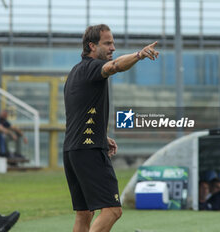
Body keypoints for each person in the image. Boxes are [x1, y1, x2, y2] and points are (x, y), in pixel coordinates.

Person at [63, 24, 159, 232]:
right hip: (89, 151)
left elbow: (77, 112)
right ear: (91, 46)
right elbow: (114, 66)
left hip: (73, 150)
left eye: (113, 43)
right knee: (113, 210)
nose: (112, 48)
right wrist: (139, 55)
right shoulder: (92, 68)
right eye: (107, 43)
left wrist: (101, 136)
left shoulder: (75, 72)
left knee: (85, 212)